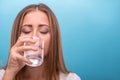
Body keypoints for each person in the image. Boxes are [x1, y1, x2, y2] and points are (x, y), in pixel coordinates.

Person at [0, 3, 81, 80]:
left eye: (43, 31)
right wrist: (10, 73)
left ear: (54, 38)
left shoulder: (70, 78)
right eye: (26, 31)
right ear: (17, 37)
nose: (34, 37)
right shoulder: (3, 76)